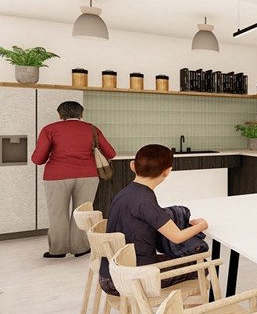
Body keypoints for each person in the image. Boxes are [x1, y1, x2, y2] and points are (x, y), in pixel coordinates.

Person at [98, 144, 208, 296]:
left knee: (175, 258)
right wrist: (201, 225)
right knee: (202, 265)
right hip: (132, 278)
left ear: (132, 166)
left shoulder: (124, 193)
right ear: (167, 172)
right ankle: (180, 312)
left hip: (110, 272)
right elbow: (177, 237)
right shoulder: (145, 200)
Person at [31, 100, 116, 259]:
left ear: (60, 115)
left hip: (56, 176)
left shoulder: (49, 129)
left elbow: (38, 159)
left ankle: (58, 250)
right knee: (82, 212)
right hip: (88, 176)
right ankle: (80, 248)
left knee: (57, 213)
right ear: (81, 114)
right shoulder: (92, 129)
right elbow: (111, 153)